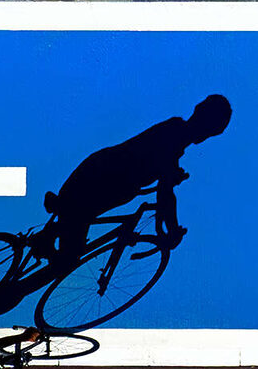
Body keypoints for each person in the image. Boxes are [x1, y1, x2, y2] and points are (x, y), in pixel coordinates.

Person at [36, 95, 232, 260]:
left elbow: (164, 180)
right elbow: (165, 193)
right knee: (67, 259)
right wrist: (172, 229)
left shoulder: (174, 133)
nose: (207, 135)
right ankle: (52, 227)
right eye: (211, 129)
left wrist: (171, 176)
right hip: (94, 182)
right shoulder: (174, 136)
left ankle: (52, 227)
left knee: (70, 237)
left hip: (95, 176)